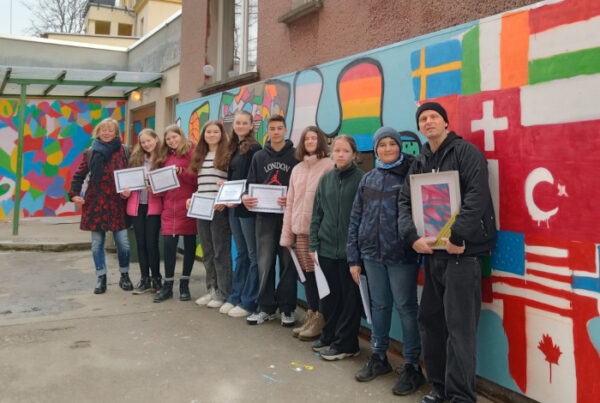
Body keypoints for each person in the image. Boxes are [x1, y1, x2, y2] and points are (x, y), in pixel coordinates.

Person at [397, 102, 497, 403]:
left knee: (460, 329)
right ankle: (439, 388)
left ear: (445, 122)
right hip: (433, 255)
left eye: (434, 117)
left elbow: (477, 196)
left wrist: (458, 235)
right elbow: (405, 203)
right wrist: (412, 236)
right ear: (420, 127)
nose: (428, 122)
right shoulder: (419, 162)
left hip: (463, 254)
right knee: (431, 322)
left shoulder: (467, 154)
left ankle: (461, 396)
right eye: (423, 119)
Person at [347, 127, 425, 395]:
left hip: (401, 255)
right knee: (379, 306)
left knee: (406, 308)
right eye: (383, 144)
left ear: (400, 147)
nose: (388, 148)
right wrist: (354, 257)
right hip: (370, 255)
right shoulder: (368, 179)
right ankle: (379, 357)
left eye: (393, 144)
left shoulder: (409, 176)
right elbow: (355, 218)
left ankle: (413, 366)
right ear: (376, 148)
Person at [308, 135, 364, 361]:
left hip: (351, 253)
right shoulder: (325, 180)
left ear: (354, 155)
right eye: (337, 150)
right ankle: (329, 335)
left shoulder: (362, 179)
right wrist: (313, 244)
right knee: (329, 298)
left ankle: (347, 344)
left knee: (350, 301)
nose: (340, 155)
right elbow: (317, 214)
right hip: (327, 249)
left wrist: (358, 251)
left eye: (345, 151)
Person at [241, 115, 299, 326]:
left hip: (287, 219)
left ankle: (287, 308)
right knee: (265, 263)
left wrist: (291, 197)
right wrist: (246, 198)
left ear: (285, 130)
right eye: (272, 128)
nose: (276, 132)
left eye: (279, 128)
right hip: (264, 218)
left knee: (287, 264)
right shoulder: (259, 157)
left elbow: (299, 187)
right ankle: (265, 307)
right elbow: (250, 185)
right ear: (268, 131)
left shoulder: (295, 156)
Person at [280, 126, 333, 340]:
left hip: (318, 234)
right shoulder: (298, 169)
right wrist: (287, 234)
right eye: (307, 138)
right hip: (300, 232)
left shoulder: (328, 166)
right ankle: (312, 315)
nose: (310, 141)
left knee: (321, 278)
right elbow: (290, 203)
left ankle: (322, 318)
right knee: (307, 277)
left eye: (314, 137)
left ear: (320, 140)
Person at [69, 117, 133, 294]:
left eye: (110, 130)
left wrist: (130, 190)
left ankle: (125, 275)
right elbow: (78, 175)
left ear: (116, 133)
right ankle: (101, 277)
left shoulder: (125, 151)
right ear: (98, 132)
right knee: (97, 243)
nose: (106, 132)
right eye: (103, 129)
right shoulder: (90, 152)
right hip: (96, 203)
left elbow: (132, 175)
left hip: (118, 203)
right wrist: (74, 194)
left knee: (124, 243)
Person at [218, 111, 262, 318]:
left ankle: (249, 302)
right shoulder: (233, 147)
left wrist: (238, 192)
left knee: (253, 256)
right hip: (233, 207)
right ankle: (235, 296)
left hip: (247, 209)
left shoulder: (254, 148)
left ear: (252, 125)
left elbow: (255, 179)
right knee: (242, 254)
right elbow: (234, 177)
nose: (241, 125)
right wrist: (225, 187)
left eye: (245, 123)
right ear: (233, 125)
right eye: (238, 123)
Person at [188, 120, 232, 309]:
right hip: (201, 208)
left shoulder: (227, 155)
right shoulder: (200, 155)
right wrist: (193, 198)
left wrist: (223, 200)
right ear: (203, 135)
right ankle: (211, 289)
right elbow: (201, 184)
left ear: (221, 134)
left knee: (220, 252)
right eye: (208, 132)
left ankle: (224, 292)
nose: (212, 135)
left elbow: (231, 183)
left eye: (215, 132)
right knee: (207, 252)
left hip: (219, 210)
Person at [152, 125, 198, 303]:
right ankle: (168, 285)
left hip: (188, 205)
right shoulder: (164, 156)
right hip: (169, 207)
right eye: (168, 139)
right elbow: (161, 188)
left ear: (181, 136)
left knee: (189, 246)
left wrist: (182, 173)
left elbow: (197, 180)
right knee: (169, 246)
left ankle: (184, 284)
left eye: (174, 137)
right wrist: (154, 187)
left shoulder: (193, 152)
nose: (172, 141)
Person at [122, 129, 163, 294]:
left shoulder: (163, 159)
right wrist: (124, 192)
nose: (146, 144)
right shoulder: (135, 159)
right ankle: (144, 278)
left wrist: (154, 187)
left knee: (152, 243)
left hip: (154, 207)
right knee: (140, 243)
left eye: (149, 140)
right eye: (143, 142)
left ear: (156, 139)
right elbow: (126, 183)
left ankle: (156, 278)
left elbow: (167, 184)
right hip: (137, 205)